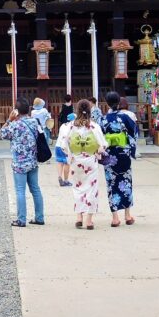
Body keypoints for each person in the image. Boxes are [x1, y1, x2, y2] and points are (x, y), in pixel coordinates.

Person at [61, 99, 107, 230]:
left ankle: (79, 217)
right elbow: (102, 145)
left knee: (78, 188)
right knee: (91, 189)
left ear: (77, 110)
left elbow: (64, 145)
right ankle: (89, 220)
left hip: (76, 161)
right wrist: (97, 153)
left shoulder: (71, 126)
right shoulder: (93, 126)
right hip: (90, 161)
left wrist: (71, 156)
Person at [0, 99, 45, 228]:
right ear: (29, 109)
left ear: (16, 111)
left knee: (20, 191)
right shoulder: (34, 122)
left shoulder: (14, 125)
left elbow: (2, 134)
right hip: (33, 161)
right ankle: (40, 217)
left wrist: (9, 119)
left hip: (19, 163)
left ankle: (21, 219)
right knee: (35, 189)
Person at [100, 91, 138, 227]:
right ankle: (127, 215)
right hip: (123, 153)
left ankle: (115, 217)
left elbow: (100, 138)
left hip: (110, 154)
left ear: (107, 103)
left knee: (111, 184)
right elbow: (134, 133)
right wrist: (131, 148)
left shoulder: (103, 119)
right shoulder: (125, 118)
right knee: (126, 182)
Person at [56, 95, 75, 185]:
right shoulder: (72, 127)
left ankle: (60, 177)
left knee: (60, 162)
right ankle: (66, 180)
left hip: (58, 146)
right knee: (67, 163)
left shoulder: (63, 125)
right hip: (65, 147)